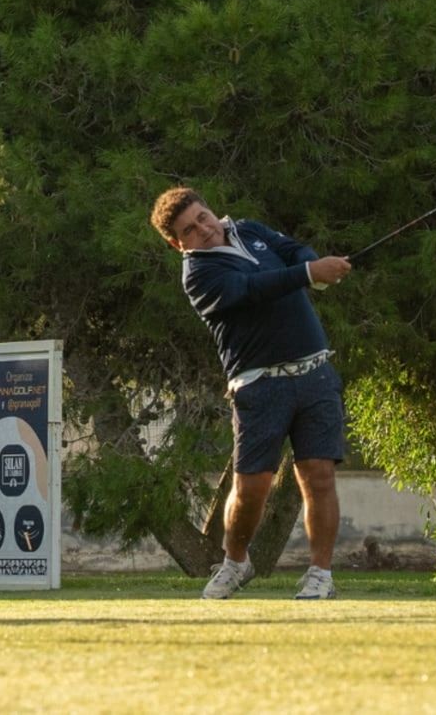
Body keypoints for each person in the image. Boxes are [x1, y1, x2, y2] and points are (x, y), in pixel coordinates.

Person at [150, 186, 353, 600]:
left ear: (210, 209)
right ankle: (236, 561)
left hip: (315, 372)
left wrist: (312, 264)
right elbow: (252, 288)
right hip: (259, 384)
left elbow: (292, 249)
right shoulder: (199, 276)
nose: (204, 230)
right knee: (251, 487)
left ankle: (320, 575)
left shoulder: (248, 230)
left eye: (203, 217)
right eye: (190, 229)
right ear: (177, 243)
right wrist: (310, 275)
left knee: (318, 477)